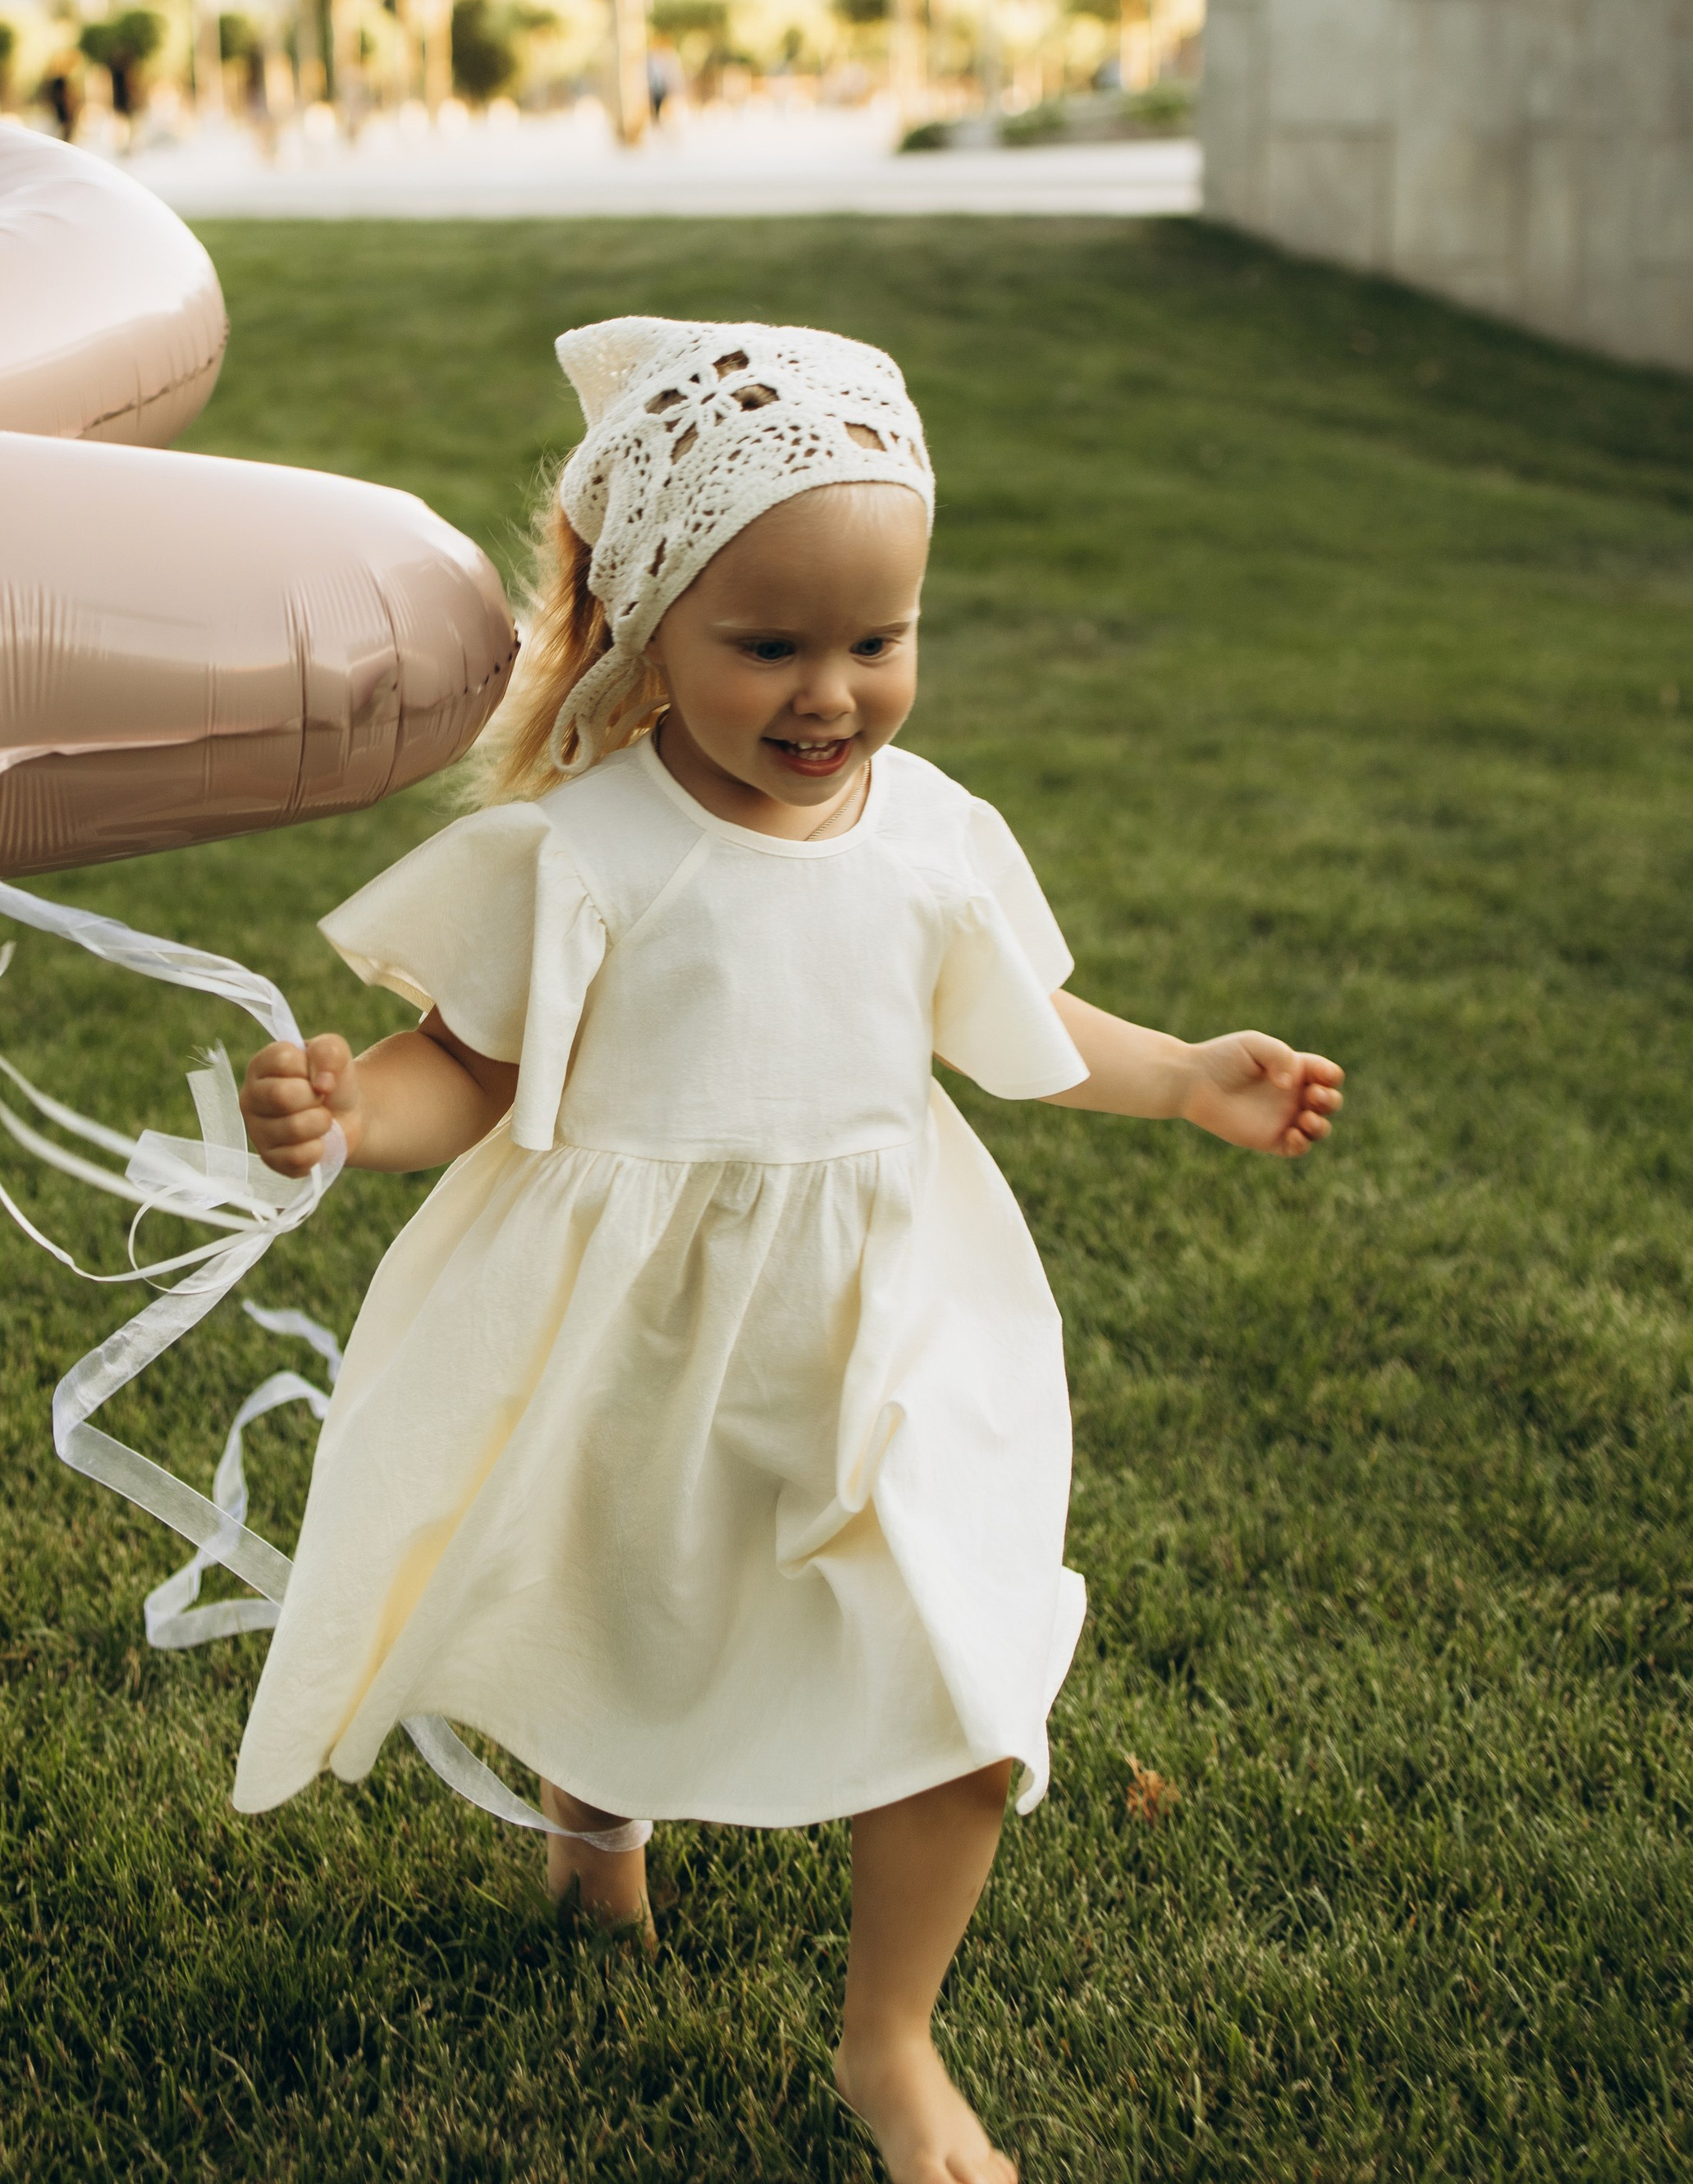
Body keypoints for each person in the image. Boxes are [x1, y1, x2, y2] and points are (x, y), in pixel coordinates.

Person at [237, 318, 1343, 2184]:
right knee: (632, 1588)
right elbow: (476, 1070)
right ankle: (597, 1831)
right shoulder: (584, 851)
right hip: (638, 1319)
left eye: (877, 641)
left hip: (884, 1312)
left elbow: (1017, 1020)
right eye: (768, 646)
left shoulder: (925, 836)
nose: (829, 692)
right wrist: (353, 1115)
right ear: (648, 627)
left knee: (958, 1659)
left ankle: (891, 2048)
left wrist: (1184, 1082)